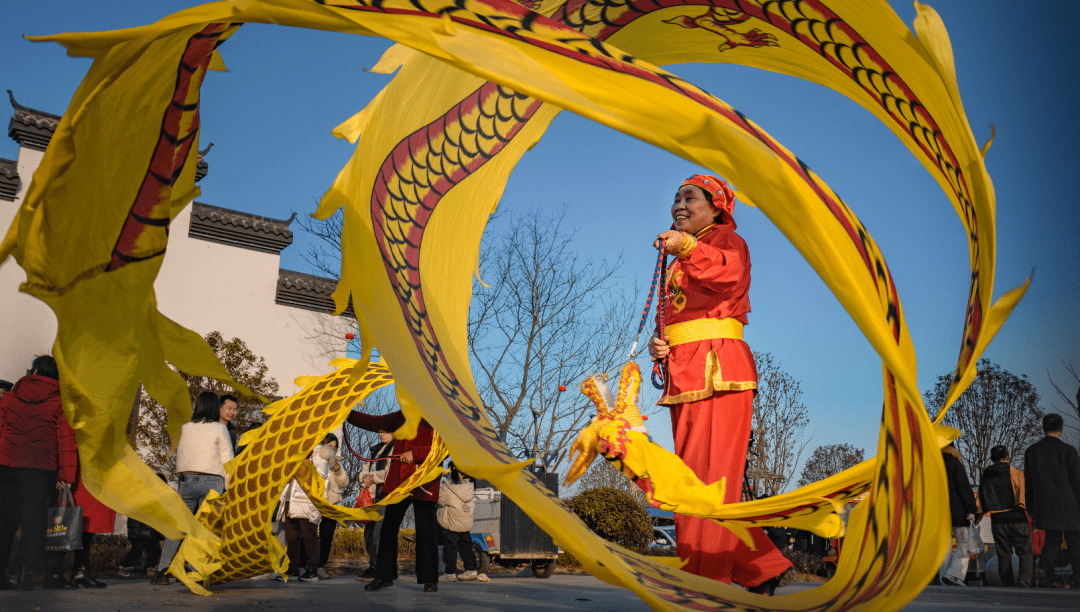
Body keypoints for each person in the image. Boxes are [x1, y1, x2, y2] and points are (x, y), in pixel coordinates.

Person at [647, 174, 793, 593]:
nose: (678, 204)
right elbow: (683, 312)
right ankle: (761, 566)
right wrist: (664, 343)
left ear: (717, 207)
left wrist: (689, 247)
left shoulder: (727, 241)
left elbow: (730, 277)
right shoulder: (681, 256)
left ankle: (702, 587)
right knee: (693, 482)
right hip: (687, 370)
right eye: (675, 198)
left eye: (689, 197)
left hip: (717, 371)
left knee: (706, 485)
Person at [0, 355, 78, 590]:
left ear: (33, 371)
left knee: (4, 521)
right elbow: (66, 441)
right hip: (39, 468)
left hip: (5, 464)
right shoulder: (60, 401)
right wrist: (66, 477)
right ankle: (26, 575)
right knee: (33, 522)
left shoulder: (10, 397)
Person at [347, 409, 440, 593]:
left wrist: (415, 454)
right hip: (397, 482)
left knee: (426, 532)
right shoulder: (403, 414)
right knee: (388, 529)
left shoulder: (436, 413)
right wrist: (348, 415)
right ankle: (384, 576)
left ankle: (430, 580)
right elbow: (375, 422)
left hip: (424, 482)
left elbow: (443, 449)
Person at [150, 392, 234, 585]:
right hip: (212, 482)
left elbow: (180, 454)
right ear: (215, 407)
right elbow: (228, 460)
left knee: (179, 527)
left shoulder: (185, 428)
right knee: (206, 528)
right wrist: (229, 487)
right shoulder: (220, 429)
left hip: (186, 480)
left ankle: (162, 570)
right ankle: (196, 571)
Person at [1024, 413, 1080, 588]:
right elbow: (1076, 480)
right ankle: (1078, 578)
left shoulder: (1032, 451)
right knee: (1074, 543)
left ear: (1043, 428)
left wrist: (1031, 507)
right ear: (1061, 429)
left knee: (1052, 539)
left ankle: (1043, 567)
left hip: (1044, 504)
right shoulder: (1069, 451)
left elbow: (1029, 482)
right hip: (1070, 504)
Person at [275, 433, 333, 582]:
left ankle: (312, 569)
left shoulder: (319, 451)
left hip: (307, 499)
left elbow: (320, 475)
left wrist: (299, 468)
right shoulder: (294, 449)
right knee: (291, 536)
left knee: (309, 536)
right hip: (290, 497)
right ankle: (293, 569)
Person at [978, 445, 1033, 587]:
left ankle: (1007, 584)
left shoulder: (986, 475)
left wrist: (978, 516)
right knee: (1025, 550)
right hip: (1017, 518)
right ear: (1008, 457)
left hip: (997, 521)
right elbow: (1024, 495)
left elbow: (980, 499)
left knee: (1003, 553)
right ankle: (1024, 579)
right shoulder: (1017, 473)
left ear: (992, 458)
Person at [298, 433, 348, 579]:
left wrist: (337, 470)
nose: (331, 449)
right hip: (314, 501)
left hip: (331, 503)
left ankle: (320, 566)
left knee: (326, 536)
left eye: (334, 447)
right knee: (308, 534)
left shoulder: (337, 462)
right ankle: (304, 565)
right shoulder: (315, 458)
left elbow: (344, 483)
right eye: (329, 446)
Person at [939, 443, 978, 586]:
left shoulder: (930, 464)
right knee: (965, 543)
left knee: (944, 547)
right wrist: (971, 509)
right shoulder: (954, 462)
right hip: (957, 510)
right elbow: (963, 488)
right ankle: (955, 574)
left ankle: (944, 577)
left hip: (938, 512)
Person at [357, 432, 393, 581]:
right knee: (369, 535)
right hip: (369, 498)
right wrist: (365, 477)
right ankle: (373, 566)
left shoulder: (394, 449)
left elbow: (390, 472)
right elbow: (365, 468)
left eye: (386, 431)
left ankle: (380, 569)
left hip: (383, 497)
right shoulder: (375, 450)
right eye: (379, 431)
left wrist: (373, 477)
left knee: (378, 536)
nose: (381, 434)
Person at [437, 462, 480, 582]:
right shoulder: (469, 485)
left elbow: (441, 499)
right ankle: (471, 569)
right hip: (464, 520)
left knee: (450, 547)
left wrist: (445, 480)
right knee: (466, 546)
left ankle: (450, 572)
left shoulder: (449, 485)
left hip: (451, 520)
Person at [119, 475, 168, 578]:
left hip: (146, 529)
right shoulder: (147, 494)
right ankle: (123, 568)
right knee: (139, 550)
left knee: (153, 550)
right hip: (141, 528)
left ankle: (150, 569)